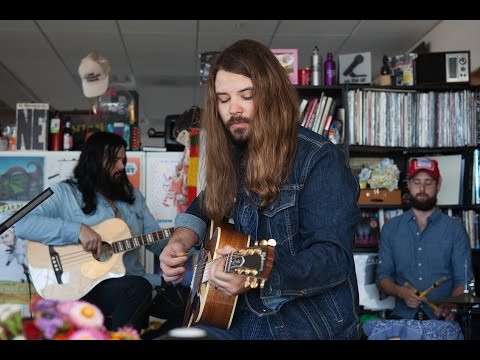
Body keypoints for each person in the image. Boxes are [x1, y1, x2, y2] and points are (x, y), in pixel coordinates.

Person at [159, 39, 362, 340]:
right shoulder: (235, 155)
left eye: (247, 96)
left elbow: (333, 258)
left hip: (302, 326)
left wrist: (257, 271)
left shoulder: (319, 158)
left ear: (271, 96)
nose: (234, 109)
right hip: (233, 318)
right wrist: (179, 241)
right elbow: (205, 205)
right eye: (224, 99)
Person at [16, 132, 170, 332]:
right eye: (114, 160)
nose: (122, 166)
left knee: (190, 302)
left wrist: (189, 239)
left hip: (136, 285)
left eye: (123, 160)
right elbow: (23, 223)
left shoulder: (132, 196)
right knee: (138, 288)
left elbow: (156, 241)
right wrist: (77, 230)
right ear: (94, 161)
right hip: (85, 287)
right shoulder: (65, 193)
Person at [376, 158, 473, 322]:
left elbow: (464, 283)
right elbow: (382, 277)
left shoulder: (455, 230)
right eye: (417, 182)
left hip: (442, 319)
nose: (422, 188)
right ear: (409, 184)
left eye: (428, 182)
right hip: (402, 318)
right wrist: (401, 292)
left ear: (438, 185)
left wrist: (450, 305)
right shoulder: (391, 228)